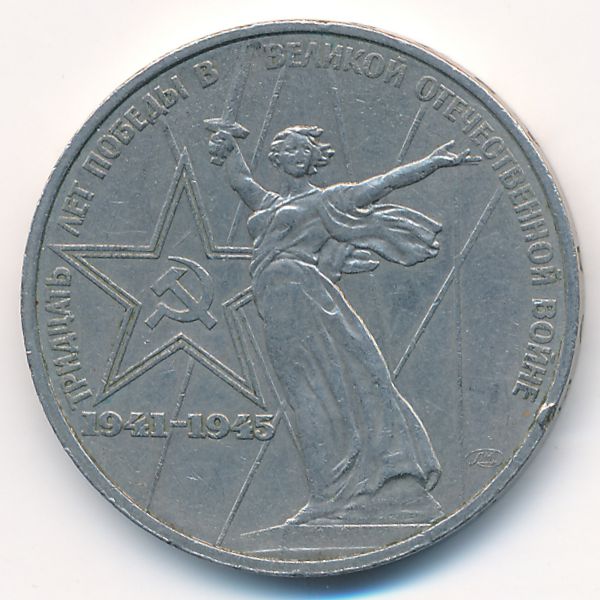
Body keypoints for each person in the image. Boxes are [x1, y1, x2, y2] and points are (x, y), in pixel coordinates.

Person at [208, 125, 480, 524]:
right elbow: (241, 180)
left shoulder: (327, 200)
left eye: (305, 150)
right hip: (278, 308)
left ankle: (363, 485)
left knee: (335, 389)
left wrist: (431, 163)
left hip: (308, 300)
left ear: (313, 159)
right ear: (277, 158)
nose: (298, 155)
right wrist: (229, 145)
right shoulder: (267, 203)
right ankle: (329, 491)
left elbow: (384, 183)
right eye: (290, 149)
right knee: (303, 396)